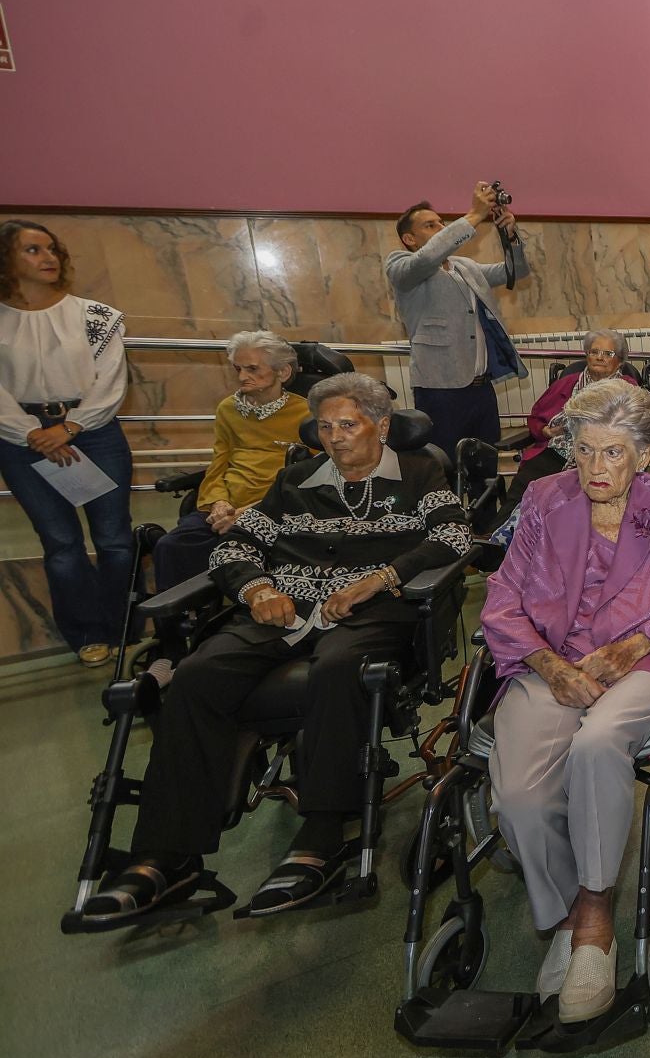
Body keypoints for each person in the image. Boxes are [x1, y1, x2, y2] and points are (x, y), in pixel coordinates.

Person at [82, 373, 472, 921]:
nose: (335, 438)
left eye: (349, 425)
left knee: (338, 668)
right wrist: (255, 588)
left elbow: (452, 537)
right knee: (197, 673)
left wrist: (380, 579)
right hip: (282, 609)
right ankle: (167, 855)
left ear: (382, 426)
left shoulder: (419, 472)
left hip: (370, 611)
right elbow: (234, 546)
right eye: (326, 427)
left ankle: (323, 832)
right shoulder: (294, 480)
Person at [482, 380, 650, 1021]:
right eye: (585, 451)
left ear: (642, 456)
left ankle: (595, 916)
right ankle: (564, 912)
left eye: (613, 453)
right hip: (551, 660)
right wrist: (545, 663)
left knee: (597, 744)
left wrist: (629, 648)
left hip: (642, 660)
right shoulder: (543, 500)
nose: (595, 468)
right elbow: (503, 598)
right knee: (517, 798)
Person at [0, 220, 134, 668]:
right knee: (60, 542)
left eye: (52, 248)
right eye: (33, 250)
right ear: (7, 260)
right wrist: (31, 433)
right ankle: (87, 635)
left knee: (114, 538)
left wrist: (71, 427)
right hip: (22, 440)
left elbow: (112, 381)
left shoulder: (95, 316)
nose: (48, 257)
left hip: (93, 433)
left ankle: (125, 627)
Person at [150, 331, 311, 615]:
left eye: (252, 369)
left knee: (241, 545)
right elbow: (219, 464)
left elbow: (310, 477)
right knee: (170, 545)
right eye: (238, 368)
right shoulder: (228, 409)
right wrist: (219, 503)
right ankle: (174, 637)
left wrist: (250, 511)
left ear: (283, 372)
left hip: (274, 508)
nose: (241, 377)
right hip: (226, 505)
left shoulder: (306, 413)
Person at [385, 183, 531, 460]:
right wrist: (475, 215)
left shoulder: (465, 266)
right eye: (430, 225)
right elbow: (427, 257)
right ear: (409, 239)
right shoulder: (401, 265)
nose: (441, 228)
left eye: (441, 222)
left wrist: (511, 236)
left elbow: (517, 271)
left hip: (481, 387)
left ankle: (486, 505)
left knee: (485, 463)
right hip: (440, 390)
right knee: (445, 463)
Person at [503, 330, 639, 516]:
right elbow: (536, 417)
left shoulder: (628, 389)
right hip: (558, 449)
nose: (600, 358)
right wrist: (546, 432)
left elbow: (638, 426)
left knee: (573, 493)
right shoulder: (567, 383)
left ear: (620, 361)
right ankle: (500, 535)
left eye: (608, 354)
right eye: (594, 352)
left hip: (603, 455)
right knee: (527, 484)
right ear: (587, 356)